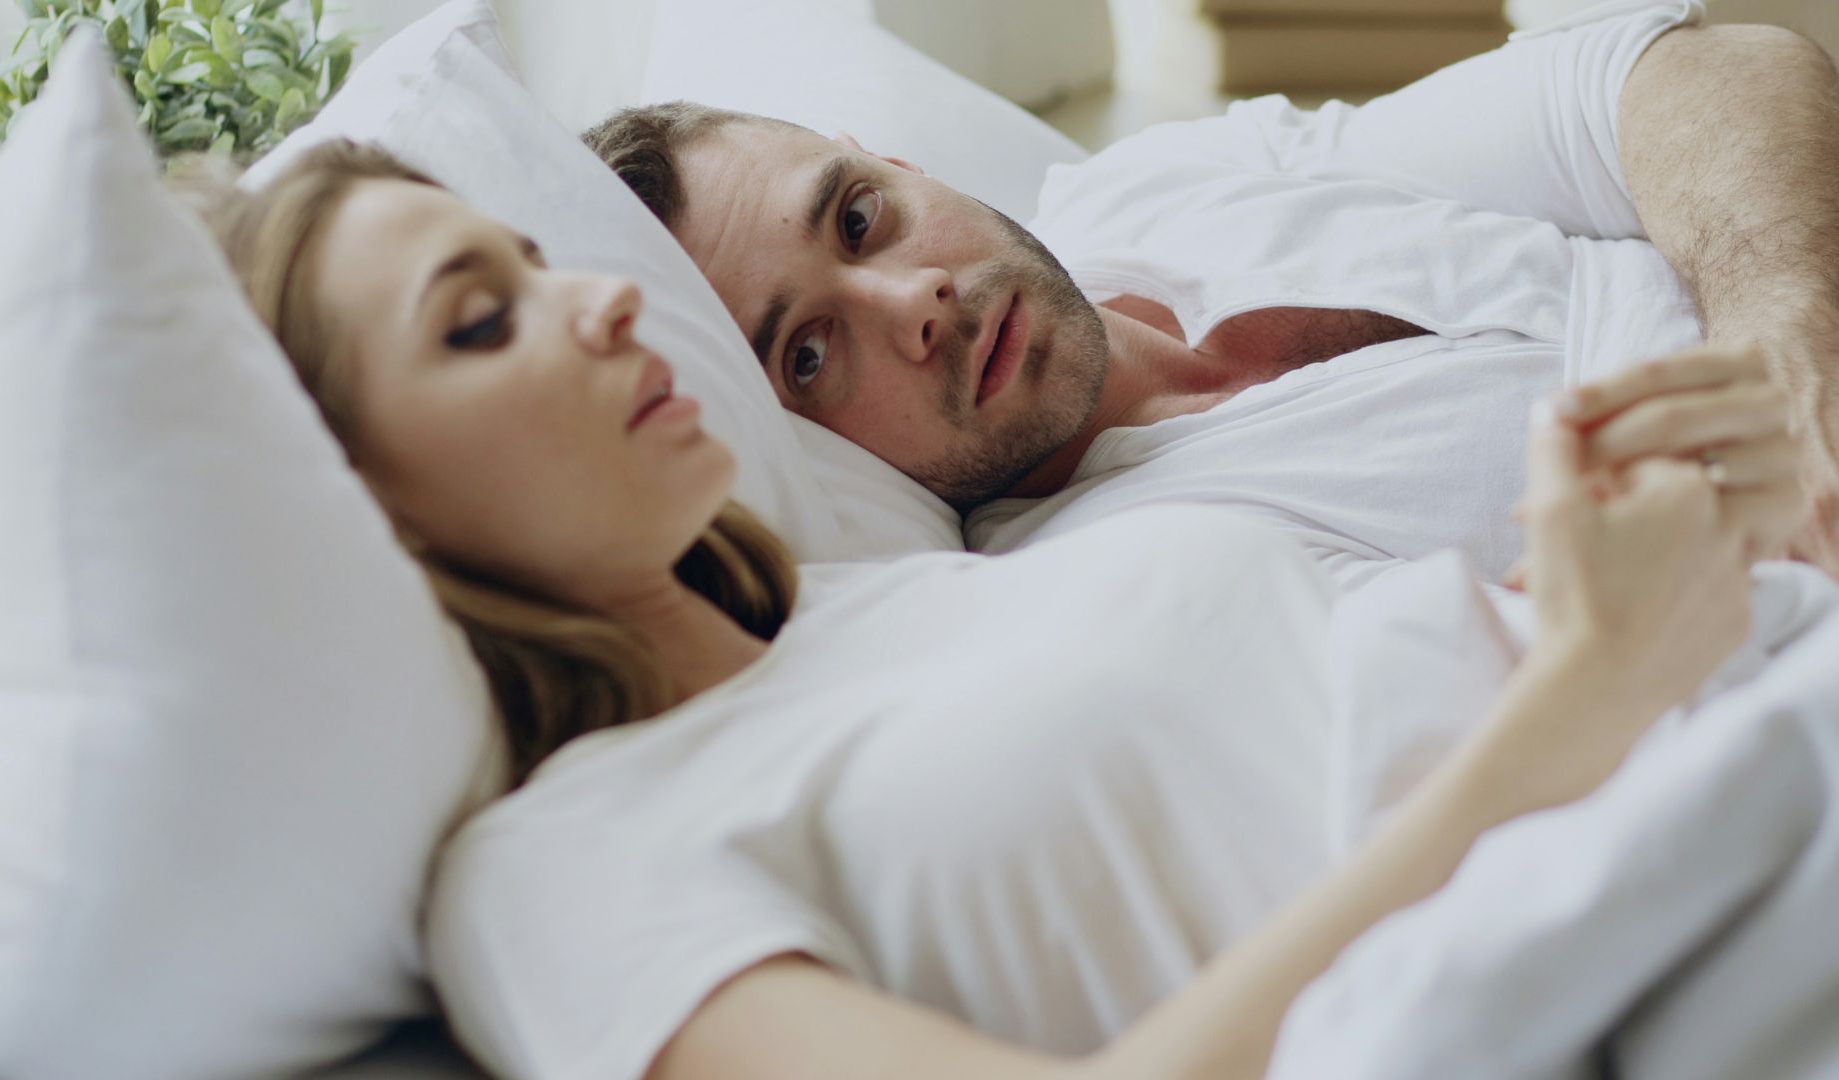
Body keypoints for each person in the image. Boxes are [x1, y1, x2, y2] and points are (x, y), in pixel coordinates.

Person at [196, 139, 1812, 1080]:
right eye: (481, 322)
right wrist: (1572, 702)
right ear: (354, 506)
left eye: (535, 263)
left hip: (1725, 722)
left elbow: (1312, 732)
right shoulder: (555, 869)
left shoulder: (907, 592)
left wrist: (1623, 555)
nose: (608, 299)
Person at [583, 2, 1839, 588]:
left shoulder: (1167, 181)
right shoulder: (1135, 580)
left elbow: (1697, 72)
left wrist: (1787, 331)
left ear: (906, 168)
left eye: (859, 218)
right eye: (808, 355)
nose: (909, 301)